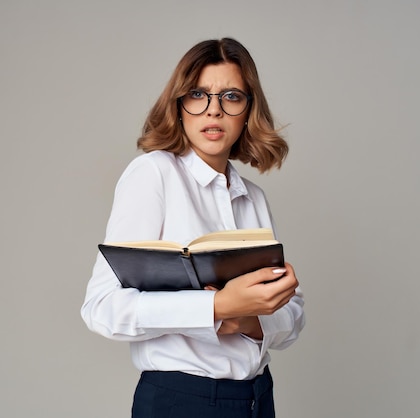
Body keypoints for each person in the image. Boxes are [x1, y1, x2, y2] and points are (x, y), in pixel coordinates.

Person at [81, 37, 305, 418]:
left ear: (248, 110)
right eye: (198, 94)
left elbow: (295, 316)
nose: (213, 111)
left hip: (257, 398)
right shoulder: (153, 174)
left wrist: (249, 320)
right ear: (179, 105)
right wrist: (218, 307)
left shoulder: (253, 197)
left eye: (231, 97)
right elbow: (102, 309)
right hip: (183, 400)